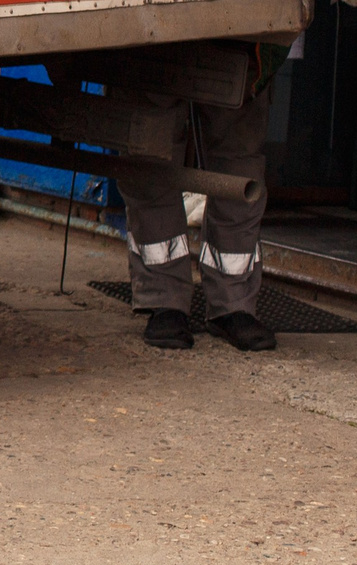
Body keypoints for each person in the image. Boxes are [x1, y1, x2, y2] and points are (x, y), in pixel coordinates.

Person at [113, 44, 282, 353]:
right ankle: (164, 300)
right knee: (150, 148)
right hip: (156, 18)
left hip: (241, 22)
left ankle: (234, 305)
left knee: (239, 155)